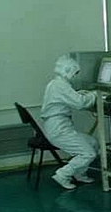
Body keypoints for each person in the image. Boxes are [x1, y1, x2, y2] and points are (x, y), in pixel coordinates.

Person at [41, 55, 99, 190]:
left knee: (93, 143)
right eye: (75, 72)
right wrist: (95, 94)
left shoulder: (57, 84)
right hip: (58, 129)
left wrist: (80, 93)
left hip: (59, 126)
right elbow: (80, 103)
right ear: (68, 70)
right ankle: (62, 175)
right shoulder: (60, 86)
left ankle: (79, 173)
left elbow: (70, 97)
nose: (75, 75)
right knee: (88, 153)